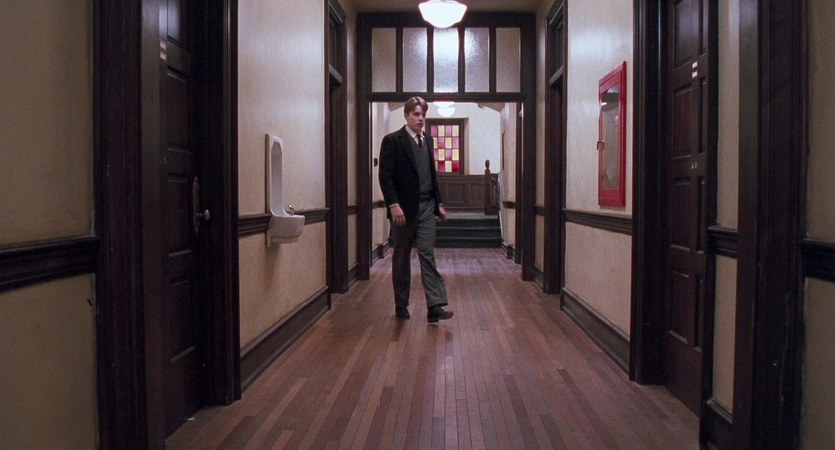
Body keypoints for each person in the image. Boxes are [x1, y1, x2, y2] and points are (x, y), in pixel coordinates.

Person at [378, 96, 453, 323]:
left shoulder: (427, 139)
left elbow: (431, 173)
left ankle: (435, 306)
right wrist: (393, 205)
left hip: (427, 206)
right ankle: (401, 304)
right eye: (416, 114)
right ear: (406, 116)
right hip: (403, 209)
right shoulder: (393, 141)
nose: (420, 119)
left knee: (427, 253)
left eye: (423, 115)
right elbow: (385, 176)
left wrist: (438, 203)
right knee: (401, 257)